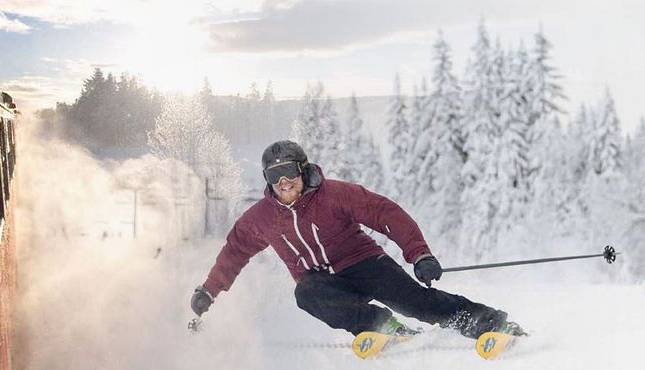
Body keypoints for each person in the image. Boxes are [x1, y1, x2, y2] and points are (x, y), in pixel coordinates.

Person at [190, 140, 523, 339]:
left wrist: (419, 254)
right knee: (305, 293)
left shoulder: (333, 195)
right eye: (273, 176)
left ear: (303, 171)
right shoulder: (261, 217)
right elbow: (235, 252)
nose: (283, 182)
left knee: (418, 304)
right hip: (323, 281)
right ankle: (382, 327)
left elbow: (385, 213)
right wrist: (209, 289)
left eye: (288, 172)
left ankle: (490, 324)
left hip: (364, 264)